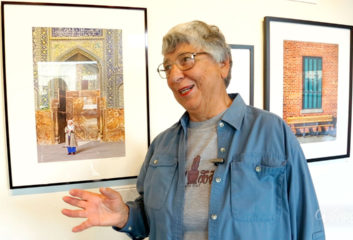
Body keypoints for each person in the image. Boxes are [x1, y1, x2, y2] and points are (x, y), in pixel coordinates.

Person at [62, 20, 325, 240]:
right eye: (167, 67)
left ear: (224, 63)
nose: (174, 75)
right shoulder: (161, 146)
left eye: (186, 60)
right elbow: (151, 220)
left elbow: (307, 222)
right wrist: (125, 216)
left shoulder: (271, 132)